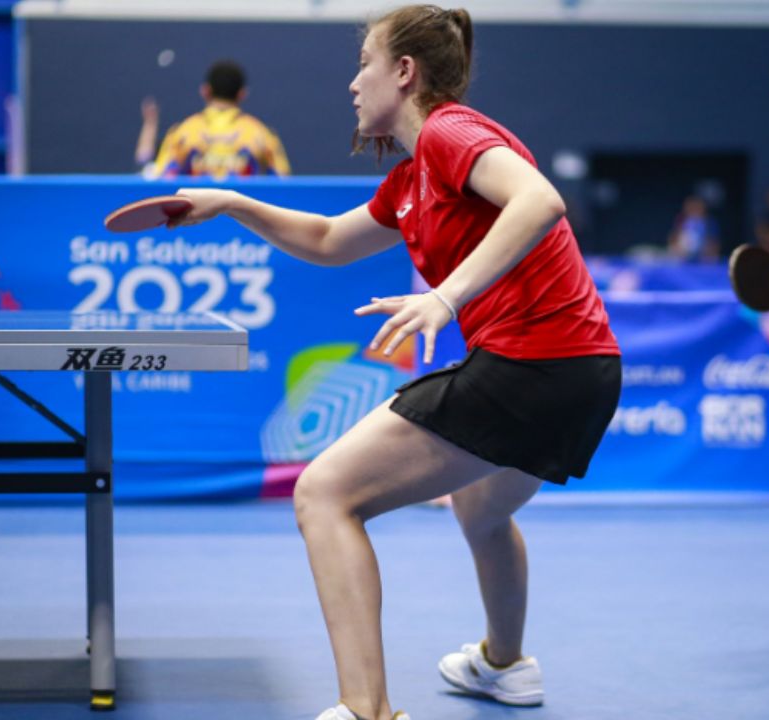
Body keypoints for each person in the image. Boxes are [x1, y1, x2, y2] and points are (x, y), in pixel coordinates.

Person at [167, 6, 621, 719]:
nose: (353, 83)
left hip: (533, 363)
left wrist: (444, 298)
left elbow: (540, 200)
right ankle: (506, 664)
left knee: (325, 494)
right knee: (480, 506)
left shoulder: (449, 131)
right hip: (583, 373)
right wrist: (230, 202)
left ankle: (365, 709)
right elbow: (323, 239)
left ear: (404, 72)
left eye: (365, 64)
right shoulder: (411, 180)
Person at [142, 60, 292, 180]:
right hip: (243, 216)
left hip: (195, 216)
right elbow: (283, 183)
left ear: (205, 91)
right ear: (242, 94)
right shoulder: (261, 134)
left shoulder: (183, 132)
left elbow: (162, 181)